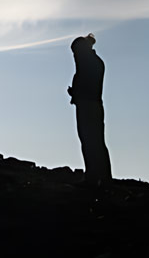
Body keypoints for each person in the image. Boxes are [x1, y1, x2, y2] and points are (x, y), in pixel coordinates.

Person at [67, 34, 112, 185]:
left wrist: (76, 93)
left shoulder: (91, 64)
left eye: (75, 52)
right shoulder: (96, 63)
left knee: (92, 141)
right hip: (90, 105)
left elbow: (89, 87)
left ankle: (95, 177)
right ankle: (98, 176)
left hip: (89, 106)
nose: (74, 56)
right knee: (93, 141)